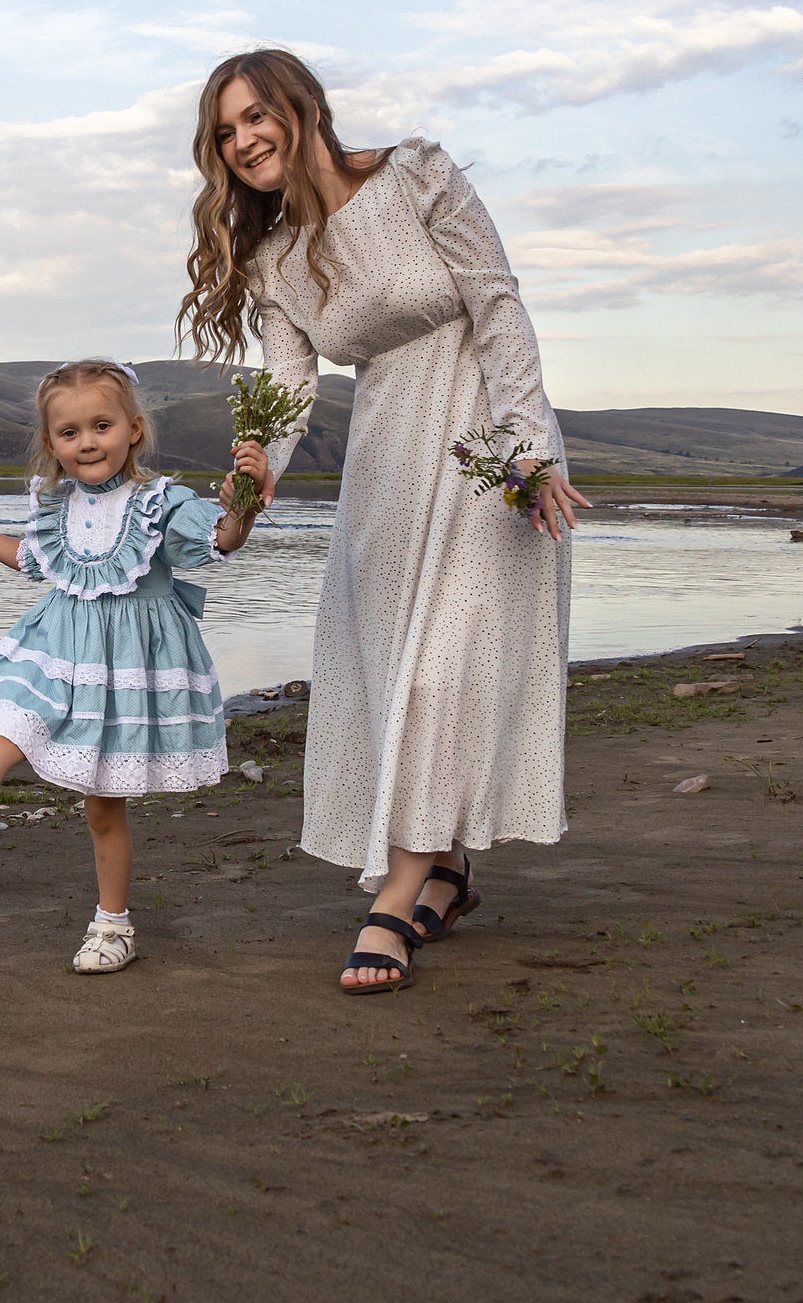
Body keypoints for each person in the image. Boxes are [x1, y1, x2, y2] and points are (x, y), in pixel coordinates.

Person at [176, 48, 589, 995]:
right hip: (387, 464)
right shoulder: (276, 256)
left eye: (254, 116)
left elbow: (498, 304)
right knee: (398, 667)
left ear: (303, 106)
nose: (243, 141)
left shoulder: (417, 176)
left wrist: (529, 445)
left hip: (486, 442)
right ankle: (446, 868)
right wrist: (251, 481)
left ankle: (395, 893)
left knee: (446, 666)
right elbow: (288, 388)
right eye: (225, 132)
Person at [0, 359, 262, 974]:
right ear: (52, 443)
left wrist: (242, 505)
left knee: (103, 808)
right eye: (70, 432)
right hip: (57, 650)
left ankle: (113, 925)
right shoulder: (57, 504)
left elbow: (222, 541)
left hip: (125, 667)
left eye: (101, 426)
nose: (87, 442)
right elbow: (34, 561)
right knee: (9, 727)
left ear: (134, 429)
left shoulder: (160, 502)